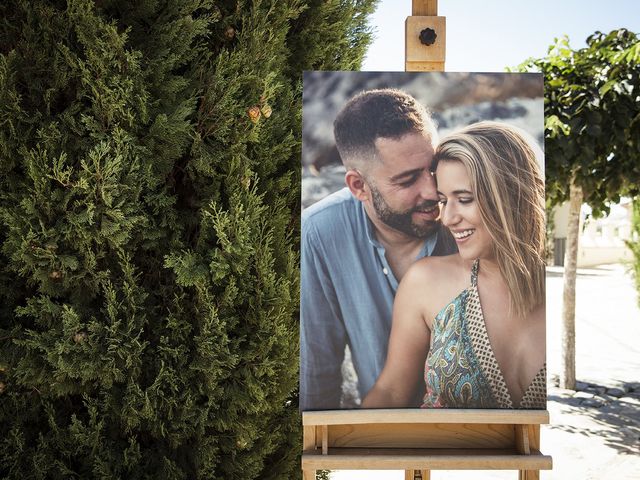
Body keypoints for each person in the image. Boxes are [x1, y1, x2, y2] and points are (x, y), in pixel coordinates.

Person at [362, 121, 546, 409]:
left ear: (512, 196)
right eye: (443, 200)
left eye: (464, 199)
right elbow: (390, 392)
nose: (447, 218)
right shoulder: (426, 282)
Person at [300, 89, 457, 411]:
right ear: (359, 186)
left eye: (432, 168)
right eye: (407, 179)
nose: (432, 190)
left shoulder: (469, 219)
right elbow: (318, 366)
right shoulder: (320, 231)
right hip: (380, 428)